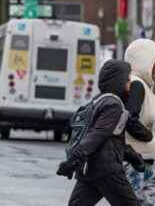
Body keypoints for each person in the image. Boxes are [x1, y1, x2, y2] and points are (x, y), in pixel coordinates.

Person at [57, 60, 142, 206]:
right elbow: (97, 135)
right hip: (107, 170)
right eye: (127, 79)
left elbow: (111, 139)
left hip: (90, 169)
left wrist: (134, 158)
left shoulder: (98, 100)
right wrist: (74, 160)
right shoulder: (113, 105)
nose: (130, 84)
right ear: (118, 81)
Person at [124, 39, 155, 205]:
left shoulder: (140, 84)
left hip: (140, 158)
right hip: (136, 159)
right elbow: (128, 117)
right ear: (145, 61)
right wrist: (147, 136)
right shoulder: (137, 85)